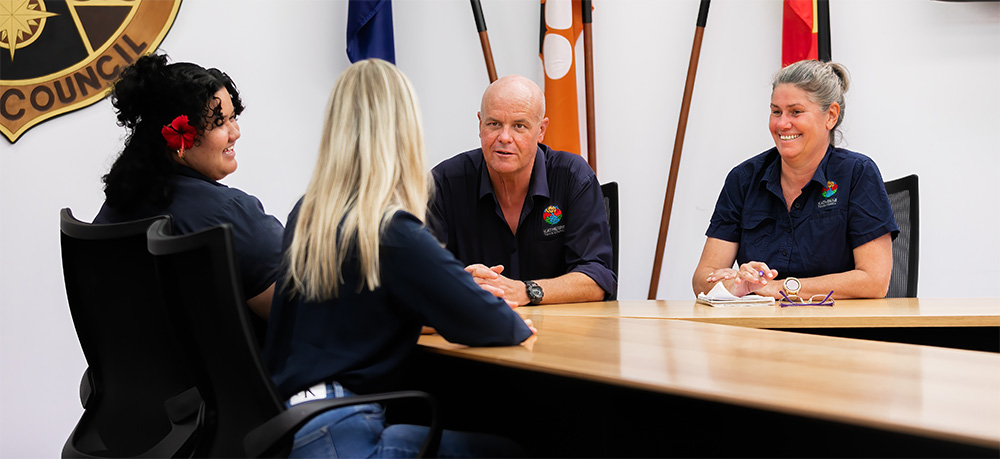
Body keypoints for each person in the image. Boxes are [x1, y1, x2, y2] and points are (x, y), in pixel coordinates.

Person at [262, 59, 534, 458]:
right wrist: (469, 291)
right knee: (513, 450)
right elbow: (499, 325)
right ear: (404, 131)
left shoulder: (308, 214)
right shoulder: (390, 229)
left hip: (292, 426)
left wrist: (447, 284)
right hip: (345, 434)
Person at [94, 54, 283, 319]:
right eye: (219, 123)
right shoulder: (229, 216)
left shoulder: (114, 209)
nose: (235, 132)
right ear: (178, 138)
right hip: (232, 361)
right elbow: (300, 317)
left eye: (232, 117)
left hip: (145, 361)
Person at [692, 60, 898, 300]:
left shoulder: (857, 173)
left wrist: (779, 287)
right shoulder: (743, 179)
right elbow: (701, 280)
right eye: (776, 111)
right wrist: (736, 283)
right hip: (758, 332)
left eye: (796, 112)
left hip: (836, 329)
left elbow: (874, 281)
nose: (782, 124)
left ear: (830, 116)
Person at [429, 75, 616, 306]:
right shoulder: (444, 183)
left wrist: (526, 290)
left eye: (519, 126)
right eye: (494, 124)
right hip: (476, 332)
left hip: (561, 332)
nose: (505, 137)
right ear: (480, 124)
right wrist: (459, 283)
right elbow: (417, 274)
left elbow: (597, 279)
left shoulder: (573, 177)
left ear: (541, 130)